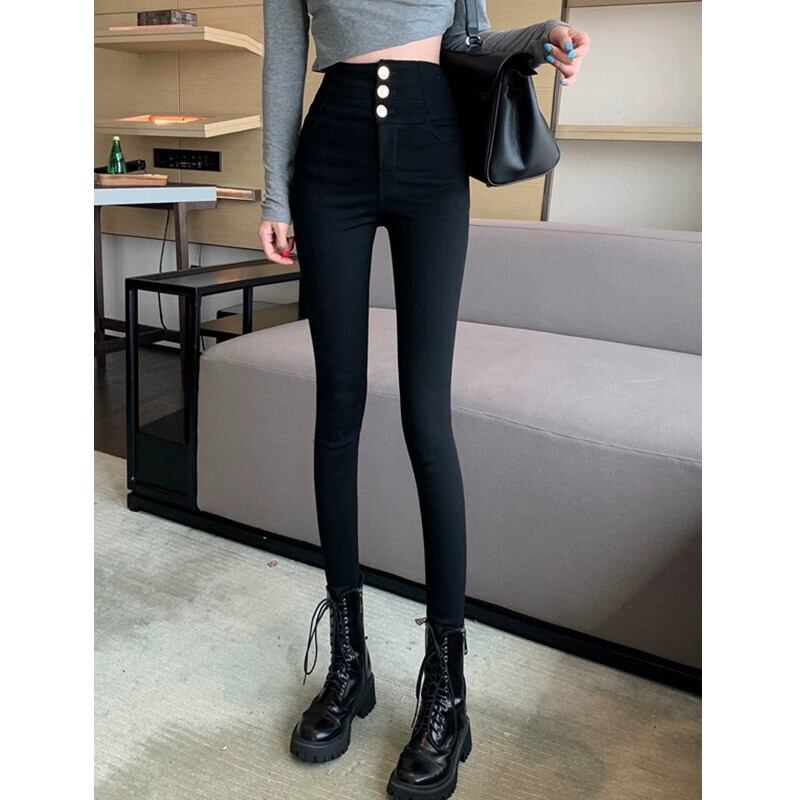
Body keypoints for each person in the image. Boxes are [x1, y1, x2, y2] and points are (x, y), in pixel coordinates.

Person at [257, 2, 589, 797]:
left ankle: (447, 686)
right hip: (332, 149)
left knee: (425, 419)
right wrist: (275, 196)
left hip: (433, 143)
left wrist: (538, 38)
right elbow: (282, 61)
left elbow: (467, 38)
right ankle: (350, 663)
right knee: (337, 410)